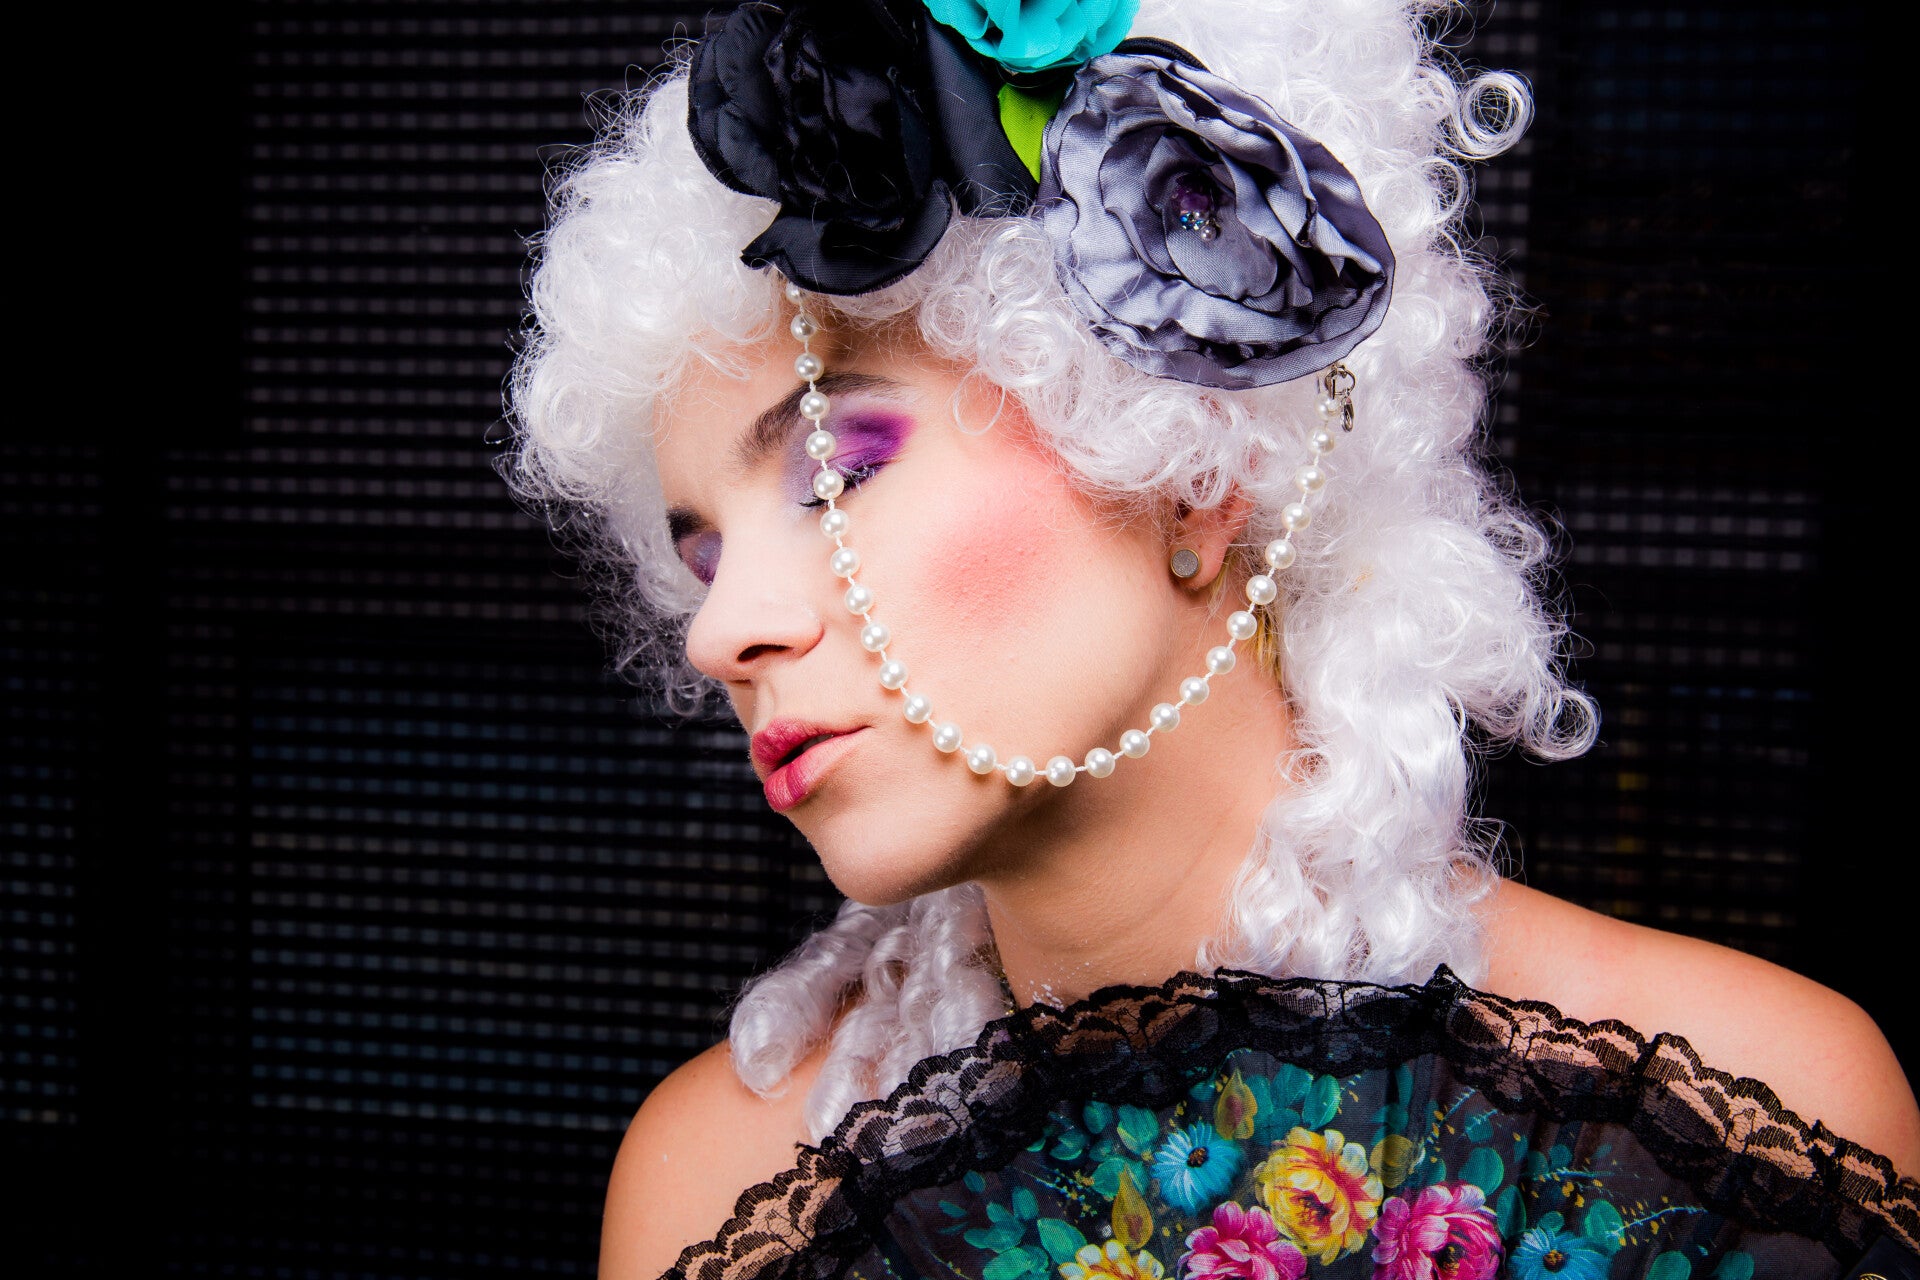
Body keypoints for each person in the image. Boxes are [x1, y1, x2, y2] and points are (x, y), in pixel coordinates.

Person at [501, 1, 1919, 1275]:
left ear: (1195, 466)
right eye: (702, 553)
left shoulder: (1744, 1130)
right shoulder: (718, 1195)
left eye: (838, 470)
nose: (722, 631)